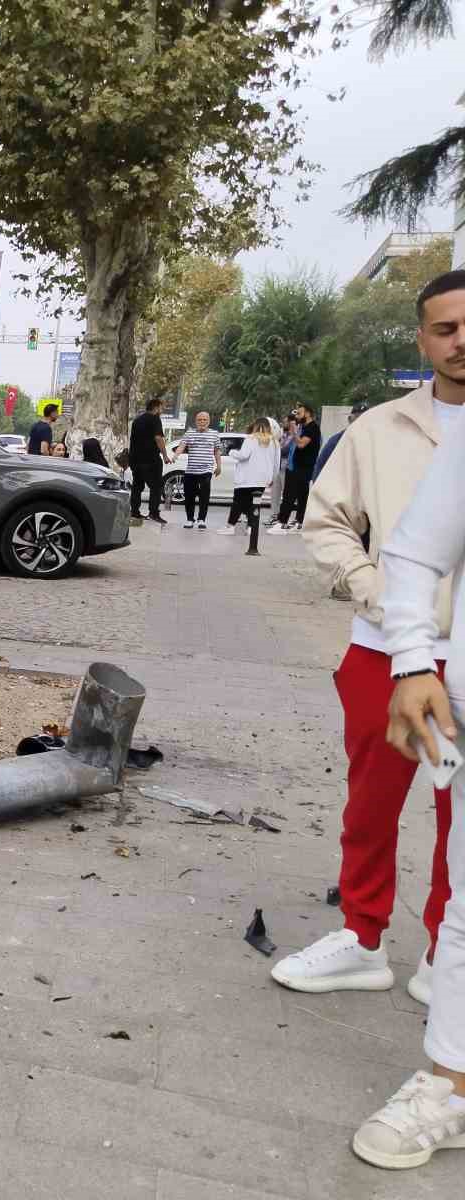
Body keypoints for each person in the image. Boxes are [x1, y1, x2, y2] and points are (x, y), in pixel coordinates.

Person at [271, 271, 465, 1012]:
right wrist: (378, 592)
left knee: (462, 819)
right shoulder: (380, 429)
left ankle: (447, 955)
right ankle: (362, 937)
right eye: (444, 329)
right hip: (385, 651)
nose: (460, 341)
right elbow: (326, 523)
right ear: (421, 338)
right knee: (370, 806)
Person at [354, 271, 465, 1170]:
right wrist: (414, 658)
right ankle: (447, 1082)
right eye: (447, 326)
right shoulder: (384, 429)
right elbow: (408, 553)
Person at [214, 418, 276, 536]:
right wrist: (271, 477)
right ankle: (251, 527)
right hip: (262, 479)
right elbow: (275, 461)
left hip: (246, 478)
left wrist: (232, 452)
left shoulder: (250, 439)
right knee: (254, 504)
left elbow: (243, 455)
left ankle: (230, 526)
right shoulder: (273, 442)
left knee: (238, 502)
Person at [269, 403, 321, 532]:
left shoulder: (312, 428)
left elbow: (301, 444)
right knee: (301, 495)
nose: (297, 416)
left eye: (299, 413)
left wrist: (293, 432)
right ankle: (300, 521)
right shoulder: (303, 427)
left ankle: (282, 522)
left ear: (308, 413)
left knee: (290, 495)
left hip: (302, 467)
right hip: (293, 466)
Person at [169, 412, 222, 529]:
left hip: (206, 470)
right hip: (191, 470)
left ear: (208, 421)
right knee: (189, 496)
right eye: (200, 420)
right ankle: (190, 519)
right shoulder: (189, 433)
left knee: (204, 496)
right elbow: (182, 445)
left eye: (204, 420)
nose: (202, 422)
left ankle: (201, 519)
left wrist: (219, 466)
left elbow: (217, 451)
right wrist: (176, 455)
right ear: (196, 421)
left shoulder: (214, 434)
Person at [128, 397, 169, 526]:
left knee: (137, 486)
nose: (162, 410)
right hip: (150, 460)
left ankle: (134, 512)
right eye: (162, 408)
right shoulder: (155, 418)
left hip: (135, 459)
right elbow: (158, 438)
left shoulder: (137, 420)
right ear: (156, 407)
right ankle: (154, 513)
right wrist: (165, 455)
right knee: (156, 487)